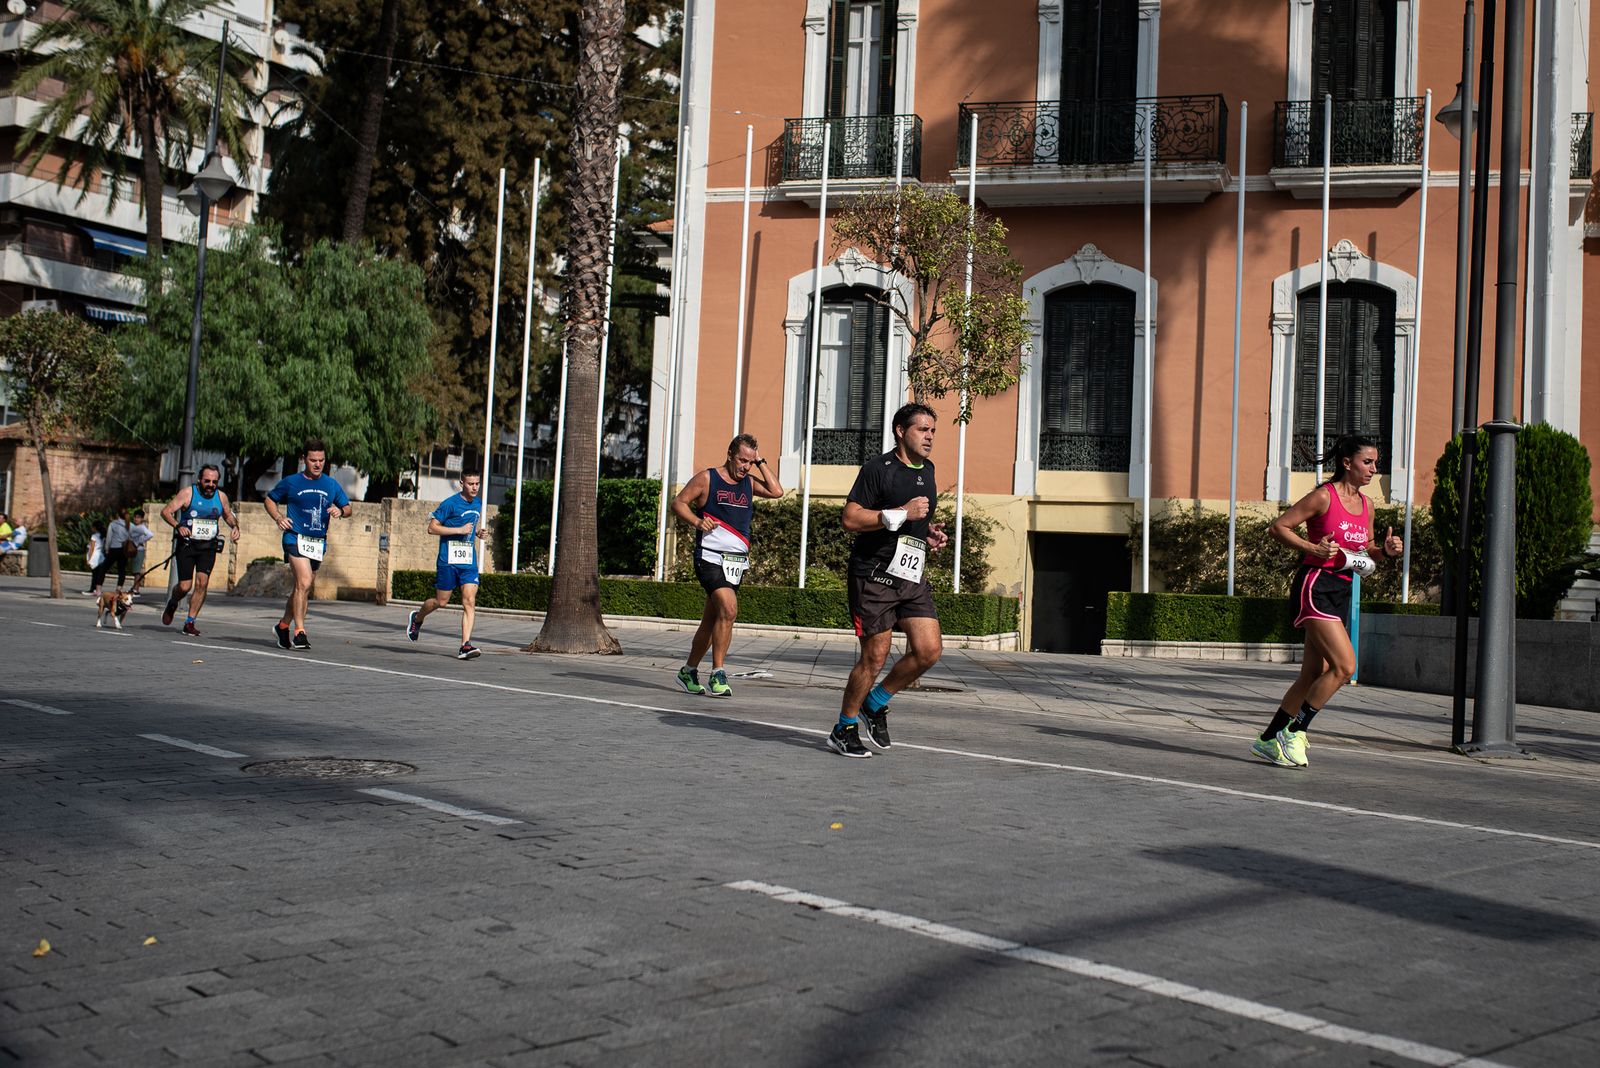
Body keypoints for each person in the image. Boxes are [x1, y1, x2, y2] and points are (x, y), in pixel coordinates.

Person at [1251, 434, 1404, 769]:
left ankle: (1267, 740)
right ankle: (1295, 732)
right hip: (1315, 587)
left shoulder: (1367, 506)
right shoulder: (1323, 496)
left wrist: (1386, 551)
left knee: (1313, 673)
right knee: (1345, 667)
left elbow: (1366, 551)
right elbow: (1279, 527)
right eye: (1367, 462)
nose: (1373, 469)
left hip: (1341, 590)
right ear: (1347, 463)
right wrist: (1313, 548)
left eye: (1376, 463)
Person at [827, 403, 949, 758]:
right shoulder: (878, 469)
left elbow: (908, 524)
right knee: (874, 656)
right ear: (901, 430)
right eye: (922, 430)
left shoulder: (928, 470)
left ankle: (875, 702)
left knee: (929, 650)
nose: (929, 437)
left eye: (933, 431)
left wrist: (927, 535)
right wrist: (901, 513)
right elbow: (850, 518)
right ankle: (844, 727)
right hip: (874, 576)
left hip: (910, 576)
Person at [670, 434, 784, 697]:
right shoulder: (708, 478)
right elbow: (679, 503)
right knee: (730, 609)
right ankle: (718, 673)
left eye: (750, 462)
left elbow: (777, 491)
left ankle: (688, 670)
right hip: (709, 557)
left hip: (735, 562)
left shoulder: (749, 483)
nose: (745, 466)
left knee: (712, 620)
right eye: (742, 460)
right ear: (730, 454)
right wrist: (698, 522)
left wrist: (762, 462)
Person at [264, 440, 351, 650]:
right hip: (294, 537)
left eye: (321, 460)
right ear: (304, 459)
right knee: (303, 582)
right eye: (313, 460)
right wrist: (278, 518)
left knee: (303, 587)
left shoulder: (330, 484)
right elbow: (270, 499)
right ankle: (300, 632)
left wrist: (341, 512)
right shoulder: (292, 482)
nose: (317, 464)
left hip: (317, 542)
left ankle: (283, 625)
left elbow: (348, 507)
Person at [406, 472, 489, 660]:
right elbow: (432, 527)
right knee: (441, 602)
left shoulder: (478, 503)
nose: (474, 487)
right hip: (448, 560)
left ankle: (465, 646)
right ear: (462, 483)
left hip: (468, 561)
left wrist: (477, 533)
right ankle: (418, 617)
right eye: (470, 484)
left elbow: (470, 525)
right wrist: (458, 530)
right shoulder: (449, 503)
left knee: (469, 600)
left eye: (477, 483)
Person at [159, 464, 242, 636]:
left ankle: (190, 622)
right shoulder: (188, 493)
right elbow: (166, 511)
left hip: (208, 546)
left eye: (214, 481)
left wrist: (235, 527)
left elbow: (227, 515)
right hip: (187, 545)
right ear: (199, 480)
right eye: (207, 481)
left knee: (202, 583)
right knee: (184, 586)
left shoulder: (221, 496)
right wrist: (178, 525)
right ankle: (173, 602)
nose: (211, 484)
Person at [89, 507, 131, 595]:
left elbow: (109, 537)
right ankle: (118, 589)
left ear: (117, 515)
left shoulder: (113, 524)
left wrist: (107, 548)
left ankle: (98, 589)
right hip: (124, 550)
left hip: (114, 549)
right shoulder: (129, 525)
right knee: (122, 570)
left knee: (103, 568)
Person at [126, 510, 156, 595]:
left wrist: (140, 541)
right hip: (132, 550)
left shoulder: (142, 528)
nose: (136, 519)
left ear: (142, 519)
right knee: (134, 570)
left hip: (139, 550)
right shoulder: (132, 526)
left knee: (137, 571)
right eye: (135, 517)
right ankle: (134, 588)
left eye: (138, 517)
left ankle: (136, 589)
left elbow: (150, 534)